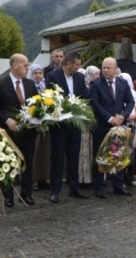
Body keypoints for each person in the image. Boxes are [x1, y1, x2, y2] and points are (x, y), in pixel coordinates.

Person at [0, 54, 39, 207]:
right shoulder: (0, 84)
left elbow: (36, 105)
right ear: (15, 65)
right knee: (8, 164)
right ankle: (8, 196)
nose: (27, 68)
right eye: (25, 65)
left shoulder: (30, 84)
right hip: (9, 132)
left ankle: (27, 193)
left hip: (28, 131)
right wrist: (7, 120)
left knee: (28, 162)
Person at [44, 52, 88, 203]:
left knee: (74, 157)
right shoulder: (53, 76)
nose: (79, 67)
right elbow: (49, 98)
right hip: (59, 125)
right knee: (57, 157)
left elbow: (84, 95)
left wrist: (82, 107)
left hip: (75, 125)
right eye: (77, 64)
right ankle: (55, 190)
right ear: (68, 64)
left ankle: (74, 188)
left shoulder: (80, 77)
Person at [89, 57, 135, 198]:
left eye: (109, 68)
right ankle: (99, 186)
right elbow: (95, 104)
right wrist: (109, 118)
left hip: (120, 126)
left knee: (118, 155)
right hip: (102, 126)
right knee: (99, 156)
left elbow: (131, 101)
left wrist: (124, 116)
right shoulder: (95, 84)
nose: (106, 70)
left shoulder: (122, 83)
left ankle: (118, 184)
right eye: (104, 67)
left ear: (116, 69)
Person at [118, 72, 136, 187]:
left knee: (131, 153)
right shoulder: (117, 94)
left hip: (132, 126)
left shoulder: (135, 95)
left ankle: (130, 177)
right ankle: (120, 179)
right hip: (120, 126)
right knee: (120, 153)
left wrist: (134, 117)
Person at [78, 65, 101, 186]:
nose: (98, 77)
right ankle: (83, 178)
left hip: (94, 123)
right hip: (85, 124)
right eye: (96, 74)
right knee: (84, 151)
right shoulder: (84, 87)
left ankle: (92, 177)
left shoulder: (97, 87)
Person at [28, 63, 49, 191]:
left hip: (45, 125)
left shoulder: (44, 86)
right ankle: (33, 179)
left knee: (44, 152)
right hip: (33, 125)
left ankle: (43, 178)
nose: (38, 75)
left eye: (40, 73)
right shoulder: (29, 86)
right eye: (35, 73)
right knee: (34, 153)